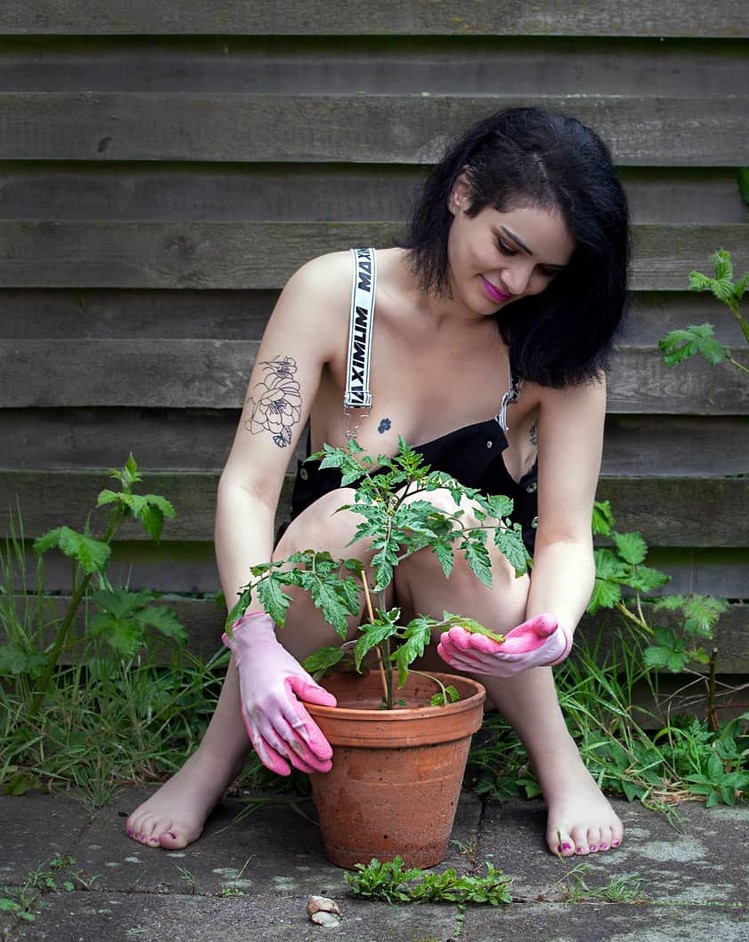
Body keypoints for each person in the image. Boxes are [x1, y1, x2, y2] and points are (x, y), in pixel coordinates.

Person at [125, 106, 630, 858]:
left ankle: (560, 765)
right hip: (322, 616)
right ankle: (211, 763)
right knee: (352, 514)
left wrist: (549, 631)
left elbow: (562, 535)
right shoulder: (332, 292)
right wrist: (254, 639)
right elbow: (249, 487)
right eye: (507, 246)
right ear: (462, 193)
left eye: (547, 270)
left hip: (463, 638)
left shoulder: (559, 344)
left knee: (437, 511)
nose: (518, 281)